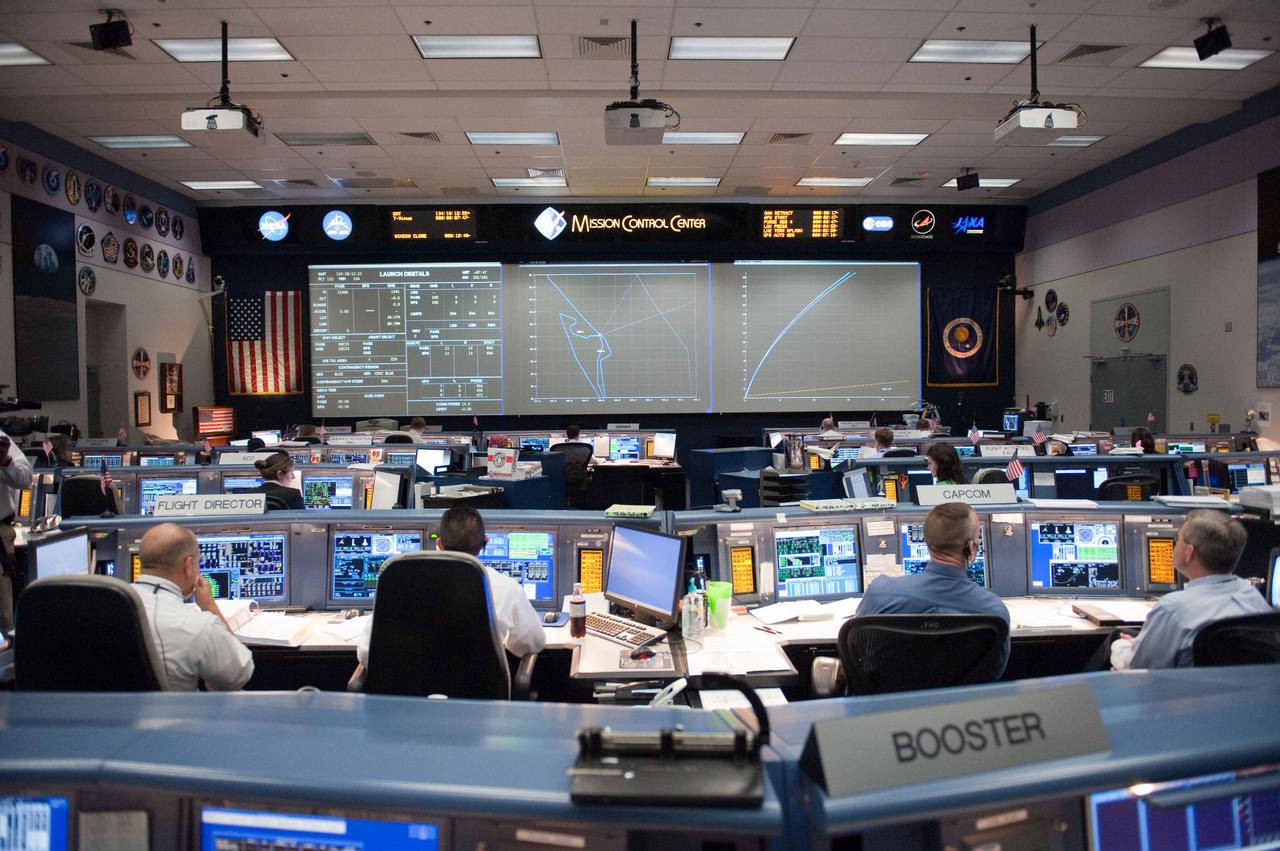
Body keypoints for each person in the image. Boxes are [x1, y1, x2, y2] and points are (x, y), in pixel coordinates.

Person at [354, 506, 545, 672]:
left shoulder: (401, 584)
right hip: (480, 705)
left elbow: (366, 652)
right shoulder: (507, 588)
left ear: (439, 544)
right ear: (485, 543)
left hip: (408, 706)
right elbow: (531, 644)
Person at [858, 502, 1011, 680]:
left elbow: (858, 647)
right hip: (965, 706)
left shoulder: (879, 593)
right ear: (970, 548)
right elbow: (993, 673)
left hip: (890, 705)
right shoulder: (994, 612)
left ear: (928, 542)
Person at [1111, 510, 1269, 670]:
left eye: (1179, 539)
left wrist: (1121, 646)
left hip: (1180, 693)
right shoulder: (1252, 595)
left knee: (1114, 639)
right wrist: (1140, 645)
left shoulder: (1172, 608)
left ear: (1189, 552)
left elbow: (1138, 668)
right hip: (1243, 692)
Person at [131, 523, 255, 691]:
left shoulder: (108, 607)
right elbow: (237, 674)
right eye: (199, 561)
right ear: (189, 566)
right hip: (176, 715)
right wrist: (210, 606)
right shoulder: (198, 625)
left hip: (103, 714)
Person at [0, 428, 33, 634]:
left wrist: (6, 462)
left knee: (3, 611)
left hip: (0, 535)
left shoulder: (2, 440)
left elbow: (25, 477)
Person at [550, 424, 595, 507]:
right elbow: (596, 462)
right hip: (579, 481)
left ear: (567, 435)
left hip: (561, 481)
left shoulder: (559, 448)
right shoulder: (585, 448)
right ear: (578, 434)